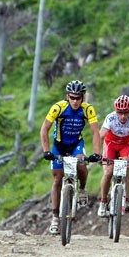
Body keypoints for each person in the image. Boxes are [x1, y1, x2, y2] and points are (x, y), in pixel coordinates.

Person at [40, 80, 101, 235]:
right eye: (72, 97)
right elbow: (44, 129)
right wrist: (46, 151)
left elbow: (95, 132)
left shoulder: (88, 110)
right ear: (68, 96)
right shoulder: (58, 107)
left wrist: (96, 153)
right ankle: (55, 217)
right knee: (57, 179)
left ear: (83, 98)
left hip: (76, 144)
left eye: (78, 98)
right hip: (58, 145)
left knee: (82, 163)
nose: (75, 101)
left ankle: (81, 189)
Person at [97, 95, 129, 217]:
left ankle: (127, 199)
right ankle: (102, 202)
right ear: (116, 111)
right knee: (108, 172)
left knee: (127, 168)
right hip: (110, 145)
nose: (123, 116)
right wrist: (96, 153)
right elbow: (101, 136)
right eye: (120, 112)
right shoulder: (111, 118)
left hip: (125, 145)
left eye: (126, 112)